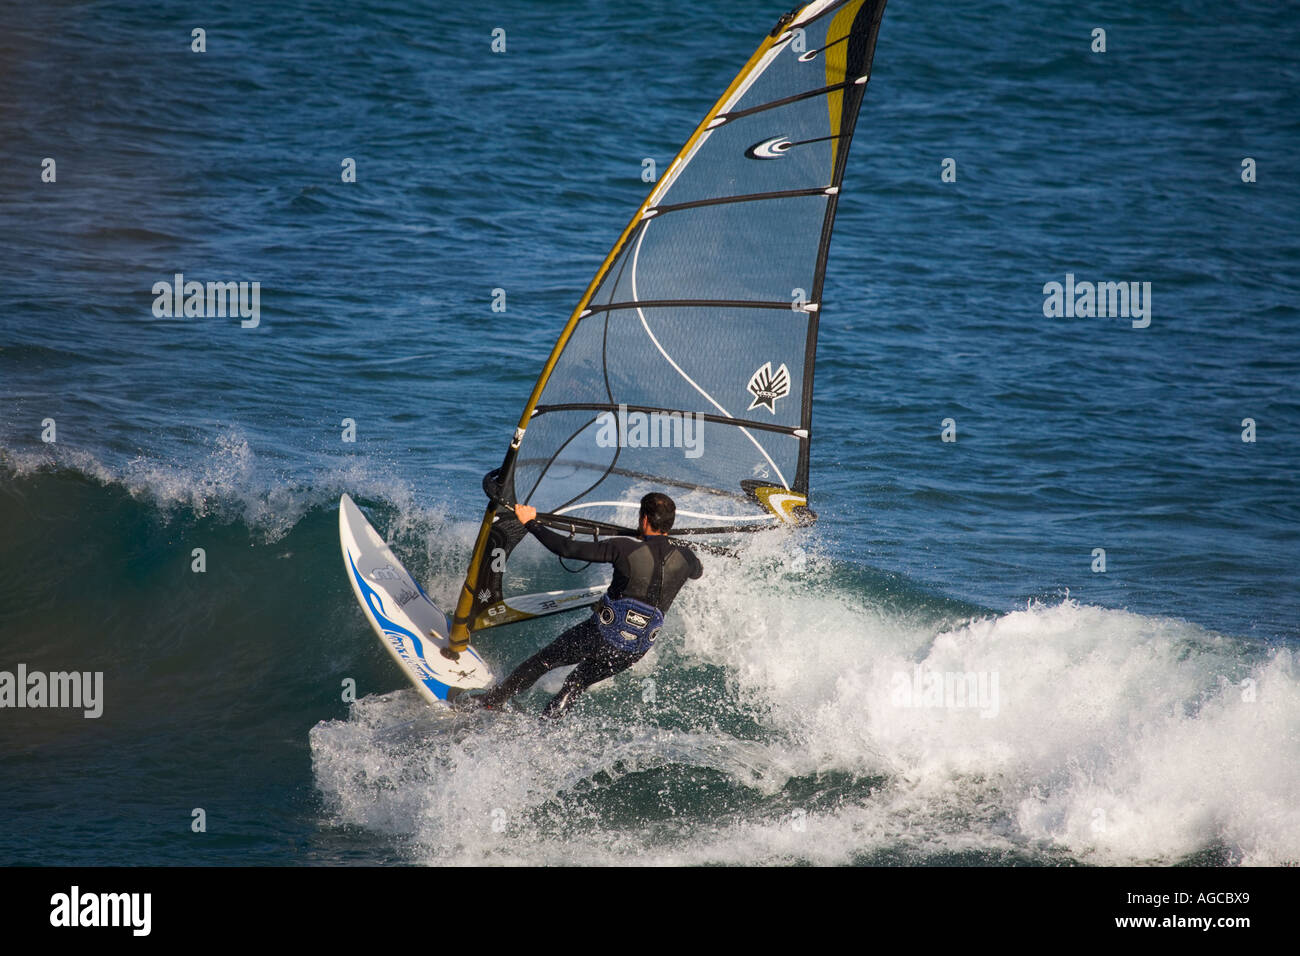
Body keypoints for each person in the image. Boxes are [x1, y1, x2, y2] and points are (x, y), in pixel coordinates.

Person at [460, 492, 703, 718]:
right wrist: (673, 546)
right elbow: (697, 572)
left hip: (601, 635)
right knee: (577, 683)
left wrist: (530, 522)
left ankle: (492, 701)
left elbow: (566, 548)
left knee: (543, 662)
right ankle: (545, 729)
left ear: (644, 518)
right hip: (635, 649)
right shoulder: (687, 558)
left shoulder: (624, 548)